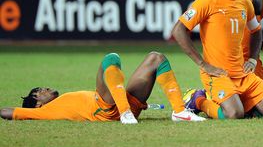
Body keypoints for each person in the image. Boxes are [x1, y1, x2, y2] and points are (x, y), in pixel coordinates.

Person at [1, 52, 204, 123]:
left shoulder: (63, 101)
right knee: (111, 58)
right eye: (39, 93)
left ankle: (179, 111)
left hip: (126, 104)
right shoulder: (42, 112)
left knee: (156, 58)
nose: (45, 89)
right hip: (106, 108)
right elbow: (6, 111)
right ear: (36, 104)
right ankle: (124, 113)